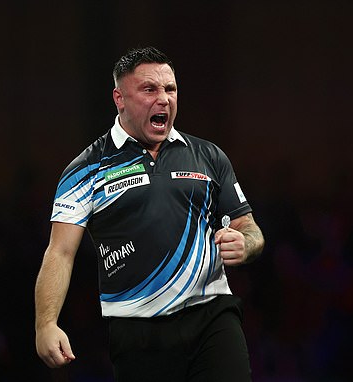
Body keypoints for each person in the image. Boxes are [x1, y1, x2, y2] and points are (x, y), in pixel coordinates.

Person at [35, 46, 264, 382]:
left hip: (212, 316)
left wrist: (246, 243)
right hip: (136, 329)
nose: (164, 99)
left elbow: (250, 228)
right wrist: (46, 324)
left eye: (170, 89)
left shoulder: (209, 156)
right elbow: (60, 252)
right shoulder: (86, 168)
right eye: (149, 89)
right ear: (120, 99)